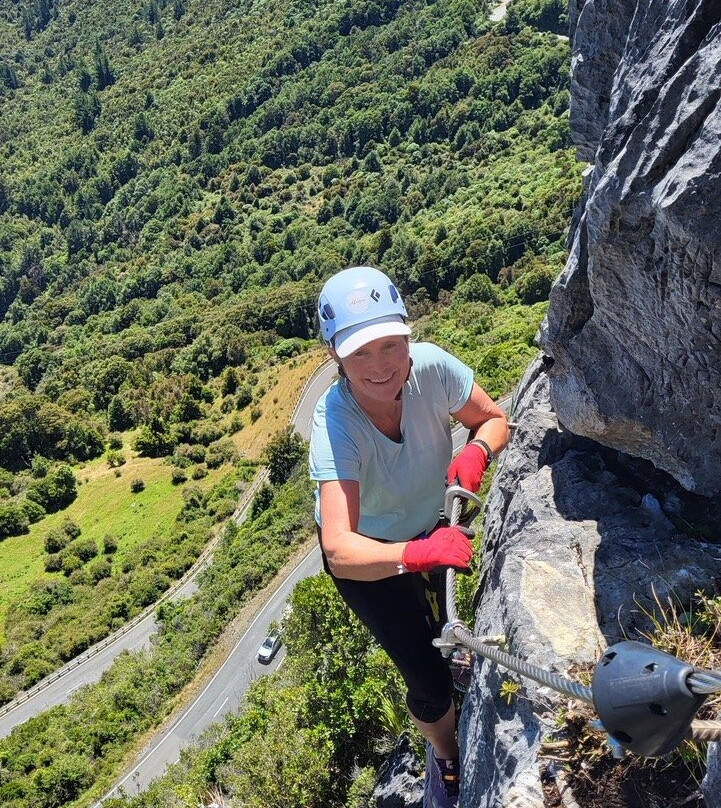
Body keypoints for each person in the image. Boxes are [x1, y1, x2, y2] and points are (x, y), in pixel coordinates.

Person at [309, 266, 509, 808]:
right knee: (423, 670)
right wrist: (417, 554)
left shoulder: (434, 370)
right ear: (335, 357)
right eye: (361, 355)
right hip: (372, 561)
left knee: (443, 627)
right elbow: (339, 549)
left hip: (432, 526)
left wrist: (476, 452)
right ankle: (445, 750)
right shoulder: (336, 424)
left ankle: (450, 667)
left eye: (391, 345)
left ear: (408, 335)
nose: (381, 366)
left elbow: (492, 418)